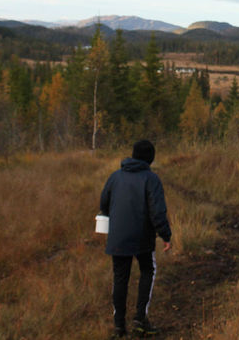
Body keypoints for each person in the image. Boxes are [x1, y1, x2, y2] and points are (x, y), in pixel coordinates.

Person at [100, 139, 172, 338]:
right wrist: (166, 235)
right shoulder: (151, 179)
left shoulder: (115, 177)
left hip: (118, 238)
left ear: (132, 155)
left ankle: (119, 326)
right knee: (148, 270)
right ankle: (140, 320)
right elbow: (157, 212)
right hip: (142, 238)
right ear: (151, 158)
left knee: (120, 277)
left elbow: (103, 203)